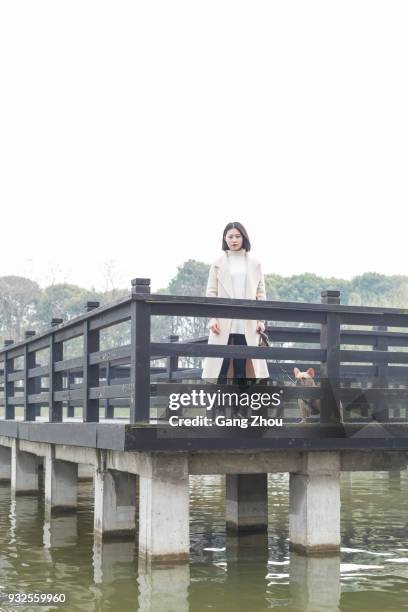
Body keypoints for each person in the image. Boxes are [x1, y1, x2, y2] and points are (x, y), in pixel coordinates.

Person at [201, 222, 269, 383]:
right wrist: (213, 318)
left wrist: (260, 320)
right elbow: (211, 293)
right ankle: (218, 406)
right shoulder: (217, 263)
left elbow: (261, 294)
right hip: (223, 321)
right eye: (230, 236)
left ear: (244, 238)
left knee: (242, 366)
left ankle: (240, 407)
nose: (234, 240)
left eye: (237, 236)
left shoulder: (255, 263)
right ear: (225, 239)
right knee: (221, 365)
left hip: (247, 321)